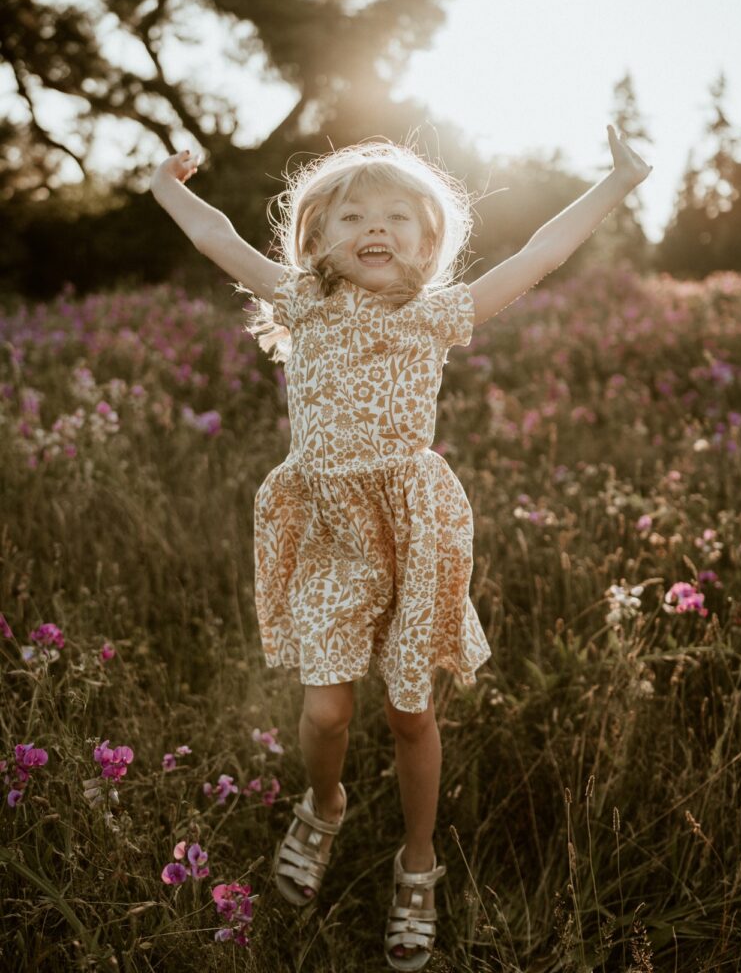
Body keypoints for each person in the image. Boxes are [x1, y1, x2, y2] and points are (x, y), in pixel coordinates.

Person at [150, 129, 650, 970]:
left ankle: (418, 861)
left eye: (396, 218)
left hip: (415, 531)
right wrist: (165, 185)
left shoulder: (436, 312)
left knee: (410, 709)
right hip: (329, 532)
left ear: (428, 242)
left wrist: (619, 180)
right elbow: (216, 237)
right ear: (315, 239)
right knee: (326, 711)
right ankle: (324, 801)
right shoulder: (300, 301)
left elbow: (541, 250)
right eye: (352, 216)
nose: (374, 228)